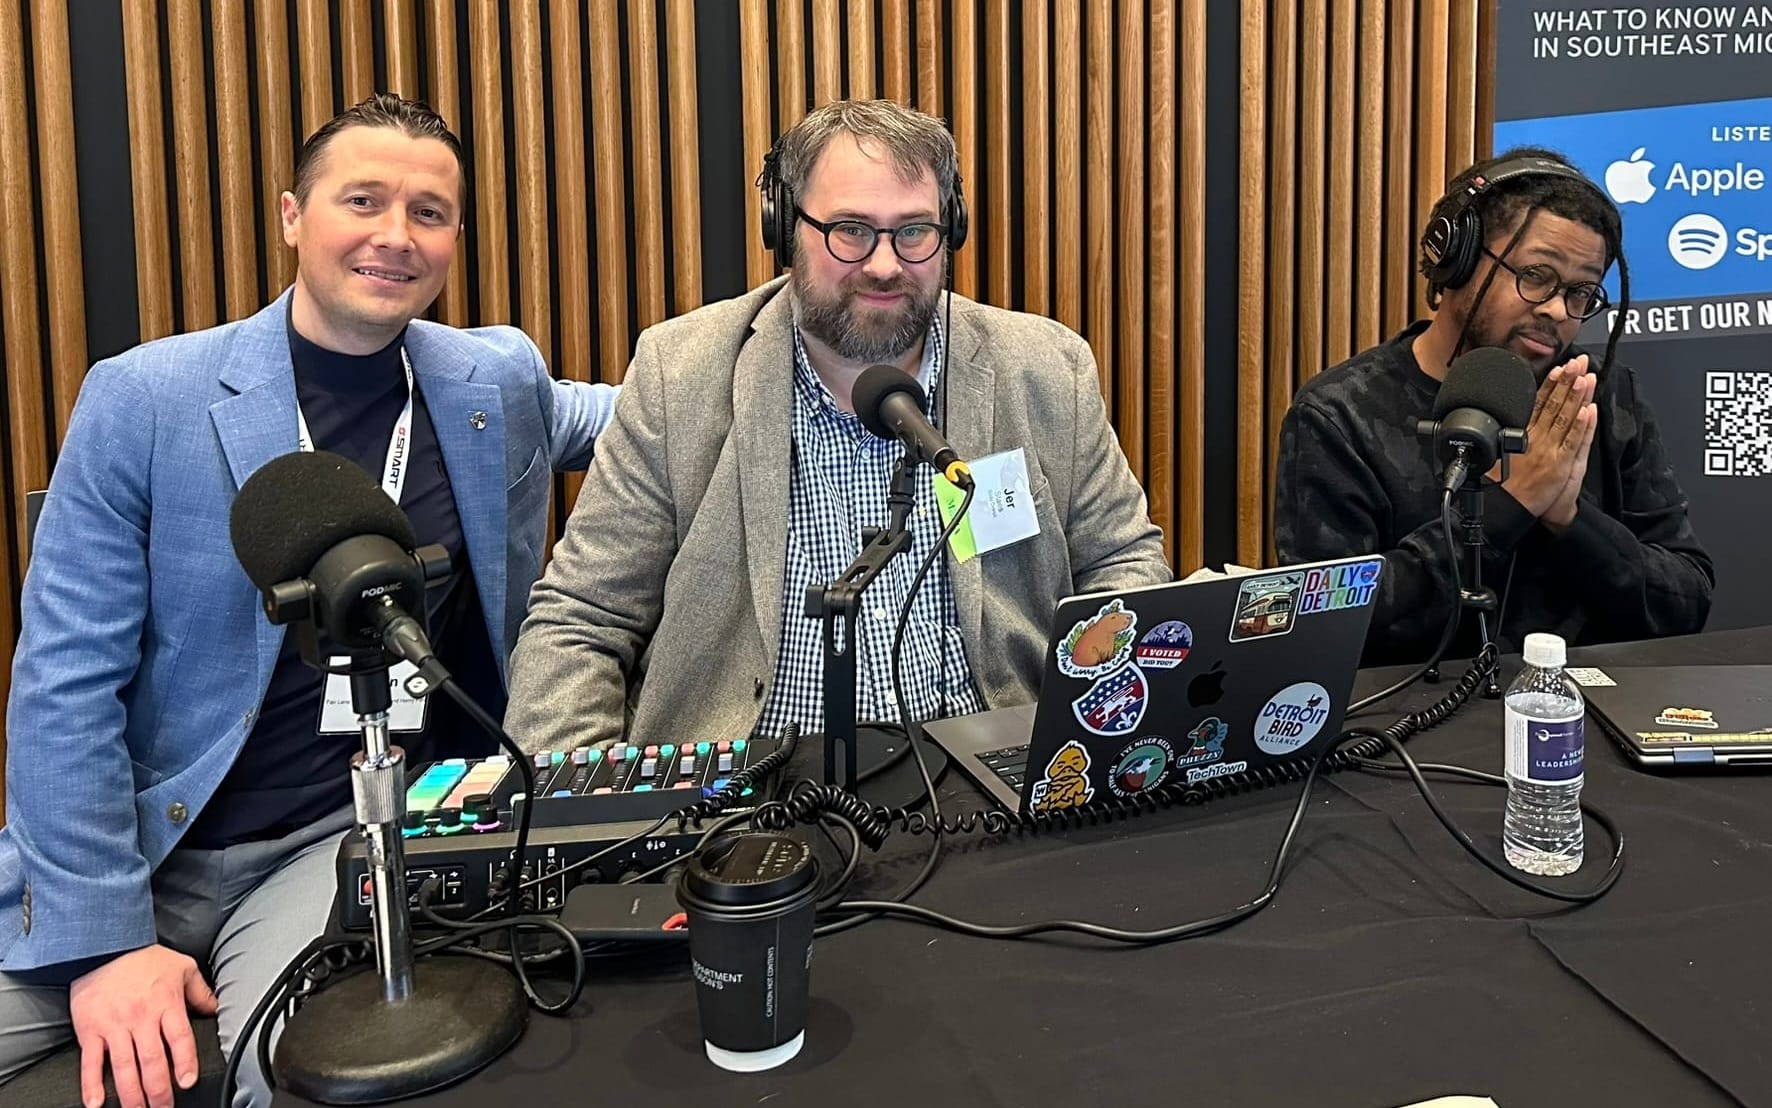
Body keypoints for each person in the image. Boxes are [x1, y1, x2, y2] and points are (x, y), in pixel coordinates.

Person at [0, 94, 617, 1108]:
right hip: (147, 841)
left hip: (337, 840)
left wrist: (803, 335)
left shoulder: (490, 381)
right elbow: (62, 682)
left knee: (300, 1075)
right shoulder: (145, 399)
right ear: (292, 215)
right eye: (362, 200)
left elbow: (651, 413)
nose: (395, 235)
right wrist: (107, 945)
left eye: (429, 212)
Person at [505, 99, 1168, 754]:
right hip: (748, 791)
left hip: (995, 767)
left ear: (951, 230)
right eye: (851, 230)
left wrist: (1088, 738)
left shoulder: (1045, 367)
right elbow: (581, 621)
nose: (885, 265)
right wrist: (582, 807)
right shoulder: (679, 375)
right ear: (784, 228)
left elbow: (1123, 564)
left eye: (914, 231)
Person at [1274, 147, 1712, 666]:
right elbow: (1327, 626)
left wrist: (1571, 520)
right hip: (1406, 713)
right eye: (1536, 275)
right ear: (1456, 260)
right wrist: (1510, 504)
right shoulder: (1340, 416)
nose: (1558, 310)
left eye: (1581, 292)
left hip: (1582, 706)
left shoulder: (1600, 397)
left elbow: (1686, 603)